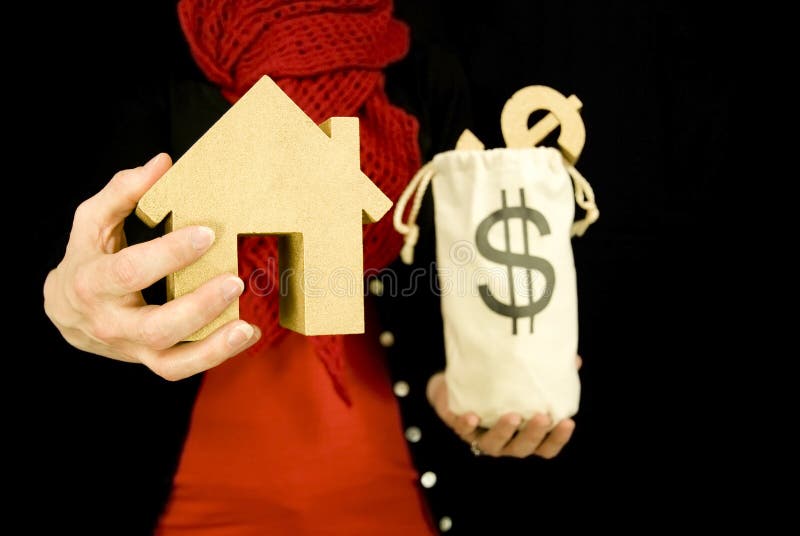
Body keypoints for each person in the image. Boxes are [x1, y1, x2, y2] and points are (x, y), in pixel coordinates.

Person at [40, 1, 579, 533]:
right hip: (186, 508)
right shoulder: (123, 56)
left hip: (392, 498)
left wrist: (468, 380)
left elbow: (461, 266)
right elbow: (69, 262)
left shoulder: (430, 56)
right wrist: (63, 298)